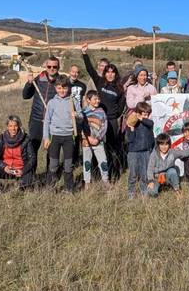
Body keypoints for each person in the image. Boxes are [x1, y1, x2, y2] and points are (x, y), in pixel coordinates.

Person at [82, 44, 126, 173]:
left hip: (111, 121)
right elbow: (90, 69)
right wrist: (85, 54)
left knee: (112, 147)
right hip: (97, 119)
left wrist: (113, 115)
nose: (110, 74)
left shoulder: (119, 88)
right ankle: (96, 170)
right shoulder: (100, 82)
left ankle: (112, 171)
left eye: (113, 72)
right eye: (108, 72)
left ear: (115, 74)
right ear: (105, 73)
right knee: (96, 144)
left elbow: (121, 105)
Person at [42, 75, 81, 193]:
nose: (62, 90)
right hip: (54, 137)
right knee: (53, 164)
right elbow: (47, 121)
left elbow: (81, 116)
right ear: (55, 88)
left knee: (68, 165)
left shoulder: (73, 101)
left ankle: (69, 188)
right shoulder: (52, 102)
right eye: (59, 88)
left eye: (64, 88)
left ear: (68, 88)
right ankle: (50, 188)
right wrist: (46, 137)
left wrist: (77, 115)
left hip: (69, 136)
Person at [22, 56, 60, 170]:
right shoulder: (39, 78)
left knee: (52, 150)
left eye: (54, 66)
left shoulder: (61, 81)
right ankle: (30, 176)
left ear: (58, 67)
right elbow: (25, 96)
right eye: (49, 66)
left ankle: (51, 176)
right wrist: (29, 83)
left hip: (53, 121)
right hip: (37, 120)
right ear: (46, 66)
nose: (52, 69)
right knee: (33, 149)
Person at [0, 115, 36, 193]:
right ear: (7, 127)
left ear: (19, 126)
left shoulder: (26, 139)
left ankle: (22, 185)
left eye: (15, 126)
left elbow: (32, 158)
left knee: (24, 191)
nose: (13, 129)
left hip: (20, 169)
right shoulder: (2, 138)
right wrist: (4, 167)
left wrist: (23, 170)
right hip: (6, 169)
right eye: (10, 126)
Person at [125, 102, 154, 199]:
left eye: (147, 114)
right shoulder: (131, 124)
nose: (146, 116)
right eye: (144, 114)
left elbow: (150, 123)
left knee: (144, 174)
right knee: (133, 174)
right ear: (138, 113)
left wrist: (142, 118)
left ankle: (144, 191)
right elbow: (130, 139)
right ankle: (131, 193)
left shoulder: (148, 123)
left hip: (145, 151)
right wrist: (131, 129)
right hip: (133, 152)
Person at [81, 90, 109, 188]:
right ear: (88, 100)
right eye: (95, 99)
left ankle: (105, 181)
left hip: (98, 142)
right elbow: (81, 127)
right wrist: (87, 138)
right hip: (86, 142)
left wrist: (98, 138)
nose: (97, 101)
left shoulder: (101, 112)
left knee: (103, 161)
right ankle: (87, 182)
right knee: (87, 162)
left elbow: (104, 126)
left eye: (98, 99)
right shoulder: (83, 112)